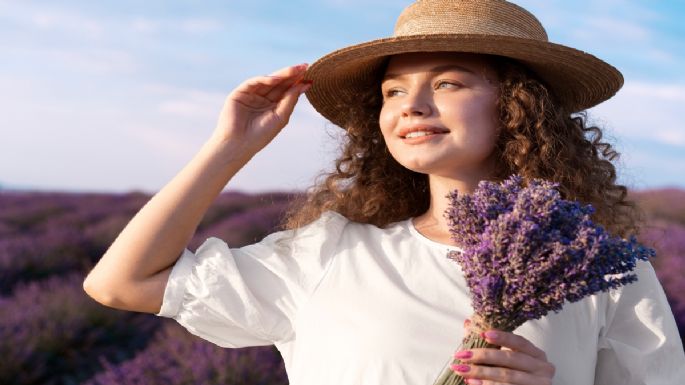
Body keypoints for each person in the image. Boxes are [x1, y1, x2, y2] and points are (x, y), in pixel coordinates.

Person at [83, 0, 685, 384]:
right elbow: (119, 284)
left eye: (448, 82)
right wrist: (230, 147)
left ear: (519, 106)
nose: (413, 105)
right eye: (394, 91)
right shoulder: (327, 253)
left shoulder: (598, 270)